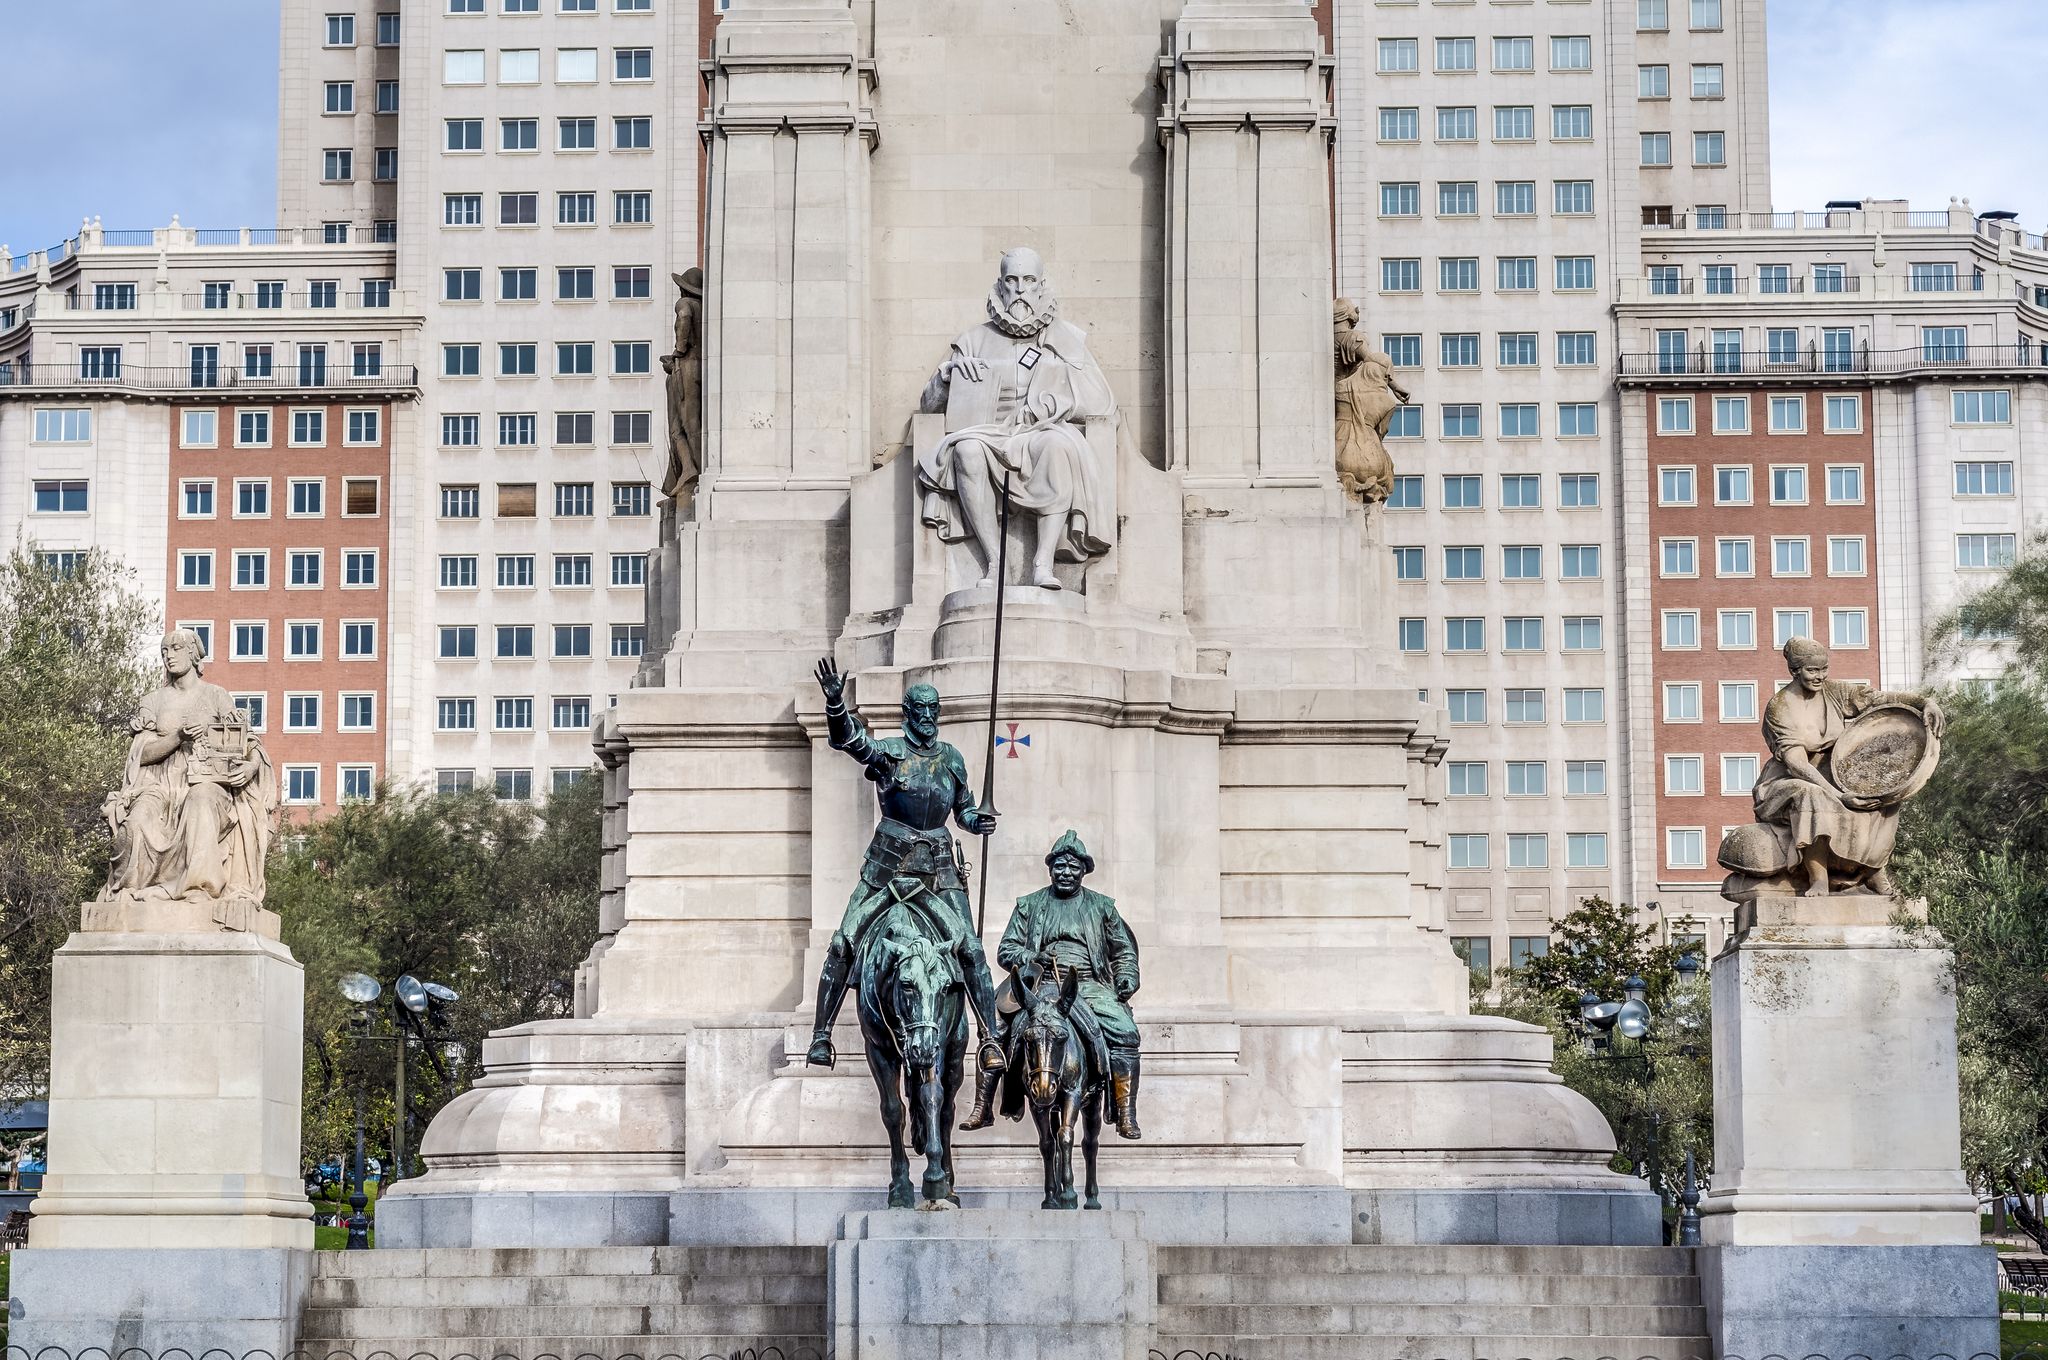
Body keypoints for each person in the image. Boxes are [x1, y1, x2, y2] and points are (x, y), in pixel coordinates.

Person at [805, 659, 1005, 1074]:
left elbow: (963, 810)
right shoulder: (891, 753)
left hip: (940, 869)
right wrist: (836, 704)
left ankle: (989, 1037)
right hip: (888, 868)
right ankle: (821, 1035)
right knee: (843, 942)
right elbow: (850, 741)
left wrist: (976, 821)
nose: (928, 716)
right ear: (907, 713)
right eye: (920, 709)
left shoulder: (952, 759)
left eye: (934, 709)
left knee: (970, 948)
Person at [915, 247, 1117, 590]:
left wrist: (1056, 399)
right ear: (1000, 286)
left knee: (1056, 446)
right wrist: (948, 377)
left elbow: (1102, 404)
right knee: (965, 451)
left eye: (1028, 280)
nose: (1020, 289)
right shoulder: (973, 340)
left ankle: (1043, 563)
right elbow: (929, 405)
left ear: (1041, 286)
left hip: (1040, 430)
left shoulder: (1065, 338)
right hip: (989, 432)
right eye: (1012, 280)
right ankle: (995, 561)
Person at [962, 830, 1143, 1139]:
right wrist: (1033, 956)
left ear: (1084, 870)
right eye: (1060, 866)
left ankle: (1126, 1112)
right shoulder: (1028, 905)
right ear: (1050, 869)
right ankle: (983, 1107)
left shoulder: (1103, 907)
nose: (1066, 873)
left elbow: (1123, 951)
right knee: (994, 1026)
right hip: (1038, 983)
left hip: (1087, 985)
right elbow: (1006, 950)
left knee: (1125, 1032)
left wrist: (1127, 976)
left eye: (1073, 867)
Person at [1748, 636, 1945, 897]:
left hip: (1835, 772)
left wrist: (1924, 702)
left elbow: (1876, 699)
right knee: (1813, 796)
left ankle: (1873, 870)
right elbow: (1797, 763)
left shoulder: (1834, 691)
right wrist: (1839, 796)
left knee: (1881, 794)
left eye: (1824, 669)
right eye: (1812, 670)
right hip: (1787, 780)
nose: (1820, 676)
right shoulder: (1780, 707)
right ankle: (1818, 877)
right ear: (1795, 671)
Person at [103, 628, 275, 904]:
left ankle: (199, 888)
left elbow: (248, 742)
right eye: (164, 651)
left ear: (193, 653)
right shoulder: (153, 701)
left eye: (176, 649)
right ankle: (130, 894)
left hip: (206, 779)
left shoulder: (216, 696)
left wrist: (251, 767)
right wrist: (178, 736)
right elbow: (140, 754)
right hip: (159, 784)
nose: (168, 656)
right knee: (136, 821)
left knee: (200, 800)